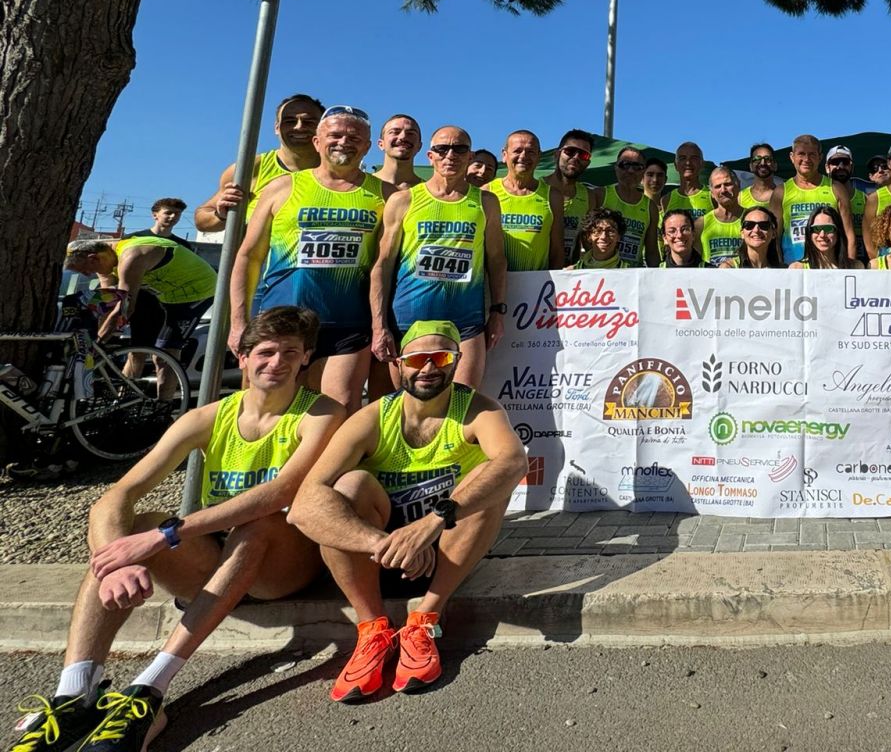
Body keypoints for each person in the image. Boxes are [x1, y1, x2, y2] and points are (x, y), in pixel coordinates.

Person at [7, 307, 341, 752]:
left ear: (306, 359)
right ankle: (72, 696)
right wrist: (115, 561)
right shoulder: (208, 418)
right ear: (242, 358)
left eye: (289, 353)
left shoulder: (321, 412)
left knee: (254, 526)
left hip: (282, 560)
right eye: (265, 352)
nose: (276, 363)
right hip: (219, 559)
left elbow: (280, 493)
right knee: (127, 535)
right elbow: (119, 493)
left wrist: (168, 534)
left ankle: (148, 693)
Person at [288, 320, 524, 702]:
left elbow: (514, 462)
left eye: (442, 357)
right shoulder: (370, 419)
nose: (429, 368)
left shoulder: (478, 410)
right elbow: (304, 505)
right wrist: (386, 543)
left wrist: (431, 525)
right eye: (418, 358)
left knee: (489, 478)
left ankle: (424, 620)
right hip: (380, 557)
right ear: (398, 363)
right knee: (346, 489)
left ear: (457, 362)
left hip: (445, 554)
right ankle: (372, 628)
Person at [233, 105, 387, 410]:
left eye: (354, 137)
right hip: (282, 320)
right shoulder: (282, 187)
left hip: (348, 322)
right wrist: (238, 322)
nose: (344, 142)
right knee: (269, 408)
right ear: (317, 141)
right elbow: (248, 257)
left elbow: (387, 265)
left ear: (368, 146)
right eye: (335, 135)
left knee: (338, 410)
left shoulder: (387, 195)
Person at [371, 126, 507, 390]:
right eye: (442, 149)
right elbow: (383, 265)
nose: (450, 155)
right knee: (407, 408)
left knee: (460, 404)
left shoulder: (487, 202)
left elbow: (497, 260)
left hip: (466, 323)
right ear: (430, 155)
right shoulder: (403, 200)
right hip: (408, 320)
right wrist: (379, 325)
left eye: (460, 149)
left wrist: (498, 312)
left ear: (470, 156)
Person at [65, 234, 216, 397]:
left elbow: (124, 310)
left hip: (195, 294)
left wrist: (98, 344)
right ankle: (123, 399)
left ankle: (163, 407)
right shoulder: (104, 259)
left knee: (165, 354)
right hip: (162, 294)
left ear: (93, 258)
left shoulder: (132, 257)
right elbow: (108, 305)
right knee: (137, 350)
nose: (88, 275)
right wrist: (94, 337)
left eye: (86, 270)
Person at [195, 94, 323, 232]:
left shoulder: (343, 169)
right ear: (276, 127)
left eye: (309, 122)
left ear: (323, 127)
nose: (299, 127)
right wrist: (221, 214)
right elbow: (201, 219)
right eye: (289, 121)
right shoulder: (249, 167)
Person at [484, 129, 564, 271]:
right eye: (517, 150)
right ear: (504, 155)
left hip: (535, 287)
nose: (523, 156)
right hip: (492, 285)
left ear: (539, 156)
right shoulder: (487, 192)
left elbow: (557, 251)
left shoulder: (553, 196)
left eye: (530, 152)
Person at [779, 134, 860, 265]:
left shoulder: (836, 188)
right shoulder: (780, 192)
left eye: (812, 154)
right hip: (793, 269)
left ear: (820, 157)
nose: (806, 159)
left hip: (831, 267)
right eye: (801, 154)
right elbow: (774, 238)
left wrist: (847, 268)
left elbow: (849, 236)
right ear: (792, 157)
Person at [546, 129, 599, 263]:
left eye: (584, 155)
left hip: (567, 275)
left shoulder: (589, 196)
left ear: (588, 163)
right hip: (535, 273)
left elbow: (586, 242)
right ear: (556, 155)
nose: (576, 157)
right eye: (570, 151)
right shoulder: (536, 188)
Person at [602, 147, 658, 267]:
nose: (631, 170)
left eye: (637, 166)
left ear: (643, 172)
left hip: (632, 277)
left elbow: (652, 252)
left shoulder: (650, 207)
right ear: (616, 168)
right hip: (603, 273)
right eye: (625, 165)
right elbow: (585, 239)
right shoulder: (600, 196)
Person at [697, 167, 745, 267]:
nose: (723, 190)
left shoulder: (751, 219)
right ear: (712, 193)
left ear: (738, 185)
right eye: (718, 186)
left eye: (728, 184)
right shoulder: (701, 224)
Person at [825, 145, 869, 254]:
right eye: (835, 162)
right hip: (833, 258)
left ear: (852, 167)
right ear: (827, 167)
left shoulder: (865, 199)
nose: (841, 166)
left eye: (845, 162)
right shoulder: (822, 197)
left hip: (861, 259)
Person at [791, 204, 855, 270]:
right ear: (809, 233)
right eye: (816, 229)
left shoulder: (855, 267)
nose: (822, 235)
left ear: (838, 232)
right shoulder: (796, 269)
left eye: (828, 228)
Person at [664, 142, 713, 221]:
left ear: (702, 164)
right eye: (683, 158)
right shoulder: (666, 200)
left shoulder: (713, 196)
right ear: (676, 165)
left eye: (694, 158)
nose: (688, 163)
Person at [373, 114, 423, 191]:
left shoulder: (431, 193)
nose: (403, 137)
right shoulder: (359, 186)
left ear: (419, 146)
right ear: (381, 144)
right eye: (395, 132)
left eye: (410, 133)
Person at [739, 142, 784, 211]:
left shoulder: (784, 195)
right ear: (751, 166)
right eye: (757, 159)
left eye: (767, 159)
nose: (762, 163)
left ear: (775, 166)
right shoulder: (740, 198)